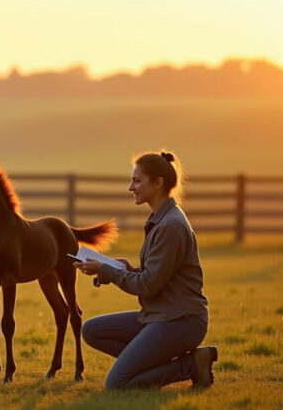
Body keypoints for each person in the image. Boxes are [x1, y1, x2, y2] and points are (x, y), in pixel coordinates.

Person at [73, 150, 217, 390]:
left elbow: (149, 285)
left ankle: (191, 365)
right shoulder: (162, 219)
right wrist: (125, 268)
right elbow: (158, 274)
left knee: (117, 384)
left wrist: (108, 271)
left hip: (181, 321)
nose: (131, 187)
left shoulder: (171, 225)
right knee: (92, 331)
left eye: (137, 181)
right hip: (158, 316)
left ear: (158, 183)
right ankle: (149, 364)